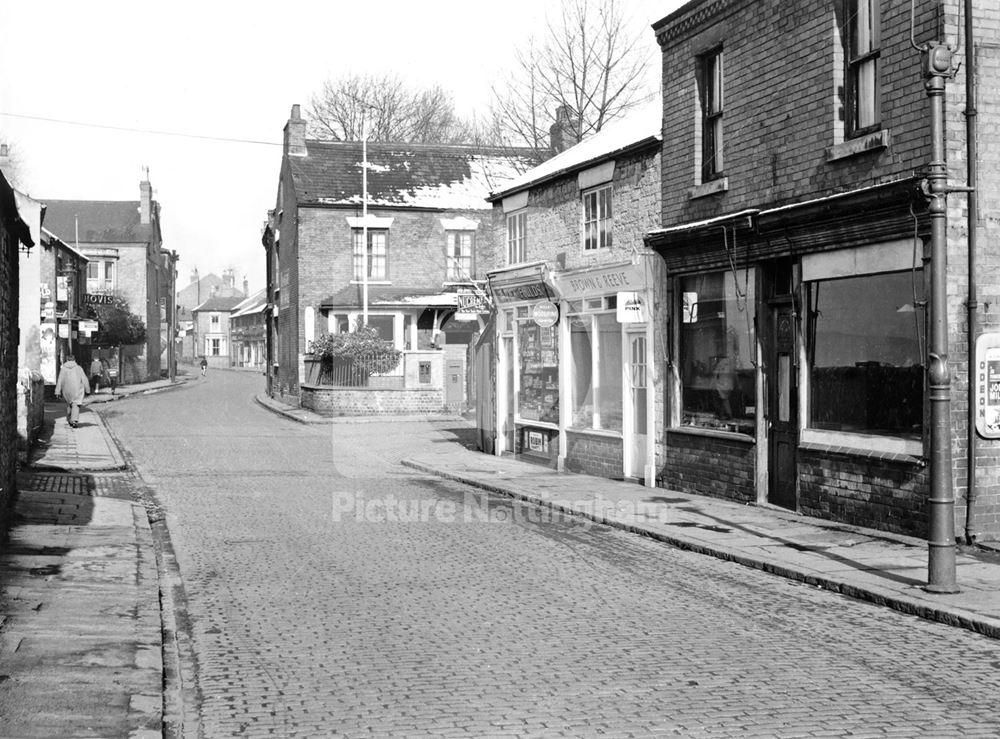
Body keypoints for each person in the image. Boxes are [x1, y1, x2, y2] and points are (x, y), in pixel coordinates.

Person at [54, 355, 90, 428]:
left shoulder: (63, 369)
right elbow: (84, 379)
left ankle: (69, 418)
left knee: (69, 404)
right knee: (76, 404)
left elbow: (60, 380)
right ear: (74, 360)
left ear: (67, 360)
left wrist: (57, 391)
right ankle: (74, 420)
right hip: (77, 389)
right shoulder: (79, 368)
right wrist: (87, 390)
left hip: (66, 390)